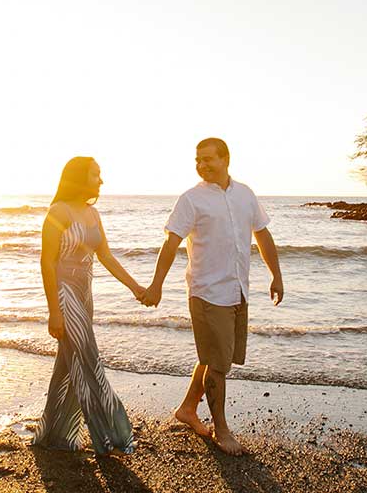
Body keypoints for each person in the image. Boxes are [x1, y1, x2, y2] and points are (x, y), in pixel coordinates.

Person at [141, 138, 283, 455]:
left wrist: (276, 275)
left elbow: (262, 234)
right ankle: (222, 430)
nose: (202, 165)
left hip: (237, 290)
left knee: (213, 358)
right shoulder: (191, 199)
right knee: (218, 365)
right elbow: (171, 242)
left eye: (208, 159)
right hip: (207, 293)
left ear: (225, 159)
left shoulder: (245, 194)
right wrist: (156, 285)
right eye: (197, 160)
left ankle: (187, 409)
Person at [31, 156, 146, 454]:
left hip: (85, 295)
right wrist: (54, 312)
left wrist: (136, 287)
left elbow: (106, 256)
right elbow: (47, 261)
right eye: (96, 174)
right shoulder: (59, 211)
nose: (101, 180)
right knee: (89, 362)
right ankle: (112, 436)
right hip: (65, 295)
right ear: (79, 177)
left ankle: (54, 434)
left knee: (68, 367)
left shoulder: (93, 214)